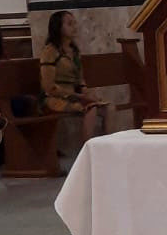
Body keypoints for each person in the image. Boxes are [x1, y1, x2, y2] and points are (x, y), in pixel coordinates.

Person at [38, 11, 115, 142]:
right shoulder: (49, 51)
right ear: (58, 27)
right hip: (54, 98)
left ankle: (109, 146)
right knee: (91, 108)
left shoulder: (74, 51)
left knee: (109, 107)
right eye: (69, 24)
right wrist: (79, 96)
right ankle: (86, 149)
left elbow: (80, 80)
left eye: (74, 23)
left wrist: (87, 92)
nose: (74, 27)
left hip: (74, 96)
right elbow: (48, 87)